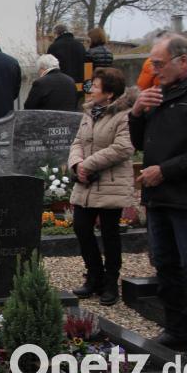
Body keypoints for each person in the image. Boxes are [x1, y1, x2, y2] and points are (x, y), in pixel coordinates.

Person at [128, 34, 187, 360]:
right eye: (151, 62)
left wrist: (164, 170)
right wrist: (136, 112)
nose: (153, 69)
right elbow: (141, 142)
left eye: (159, 63)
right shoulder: (161, 92)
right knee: (165, 265)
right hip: (160, 195)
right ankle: (176, 327)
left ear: (183, 61)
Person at [68, 67, 135, 306]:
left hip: (110, 184)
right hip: (86, 182)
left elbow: (124, 147)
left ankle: (110, 282)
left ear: (109, 93)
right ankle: (94, 275)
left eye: (95, 86)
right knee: (81, 228)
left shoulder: (124, 115)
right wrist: (77, 165)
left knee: (110, 234)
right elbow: (77, 142)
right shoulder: (89, 113)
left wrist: (89, 163)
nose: (90, 90)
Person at [48, 24, 86, 89]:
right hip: (80, 85)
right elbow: (86, 65)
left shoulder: (54, 47)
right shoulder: (80, 46)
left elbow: (49, 67)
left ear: (56, 34)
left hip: (61, 86)